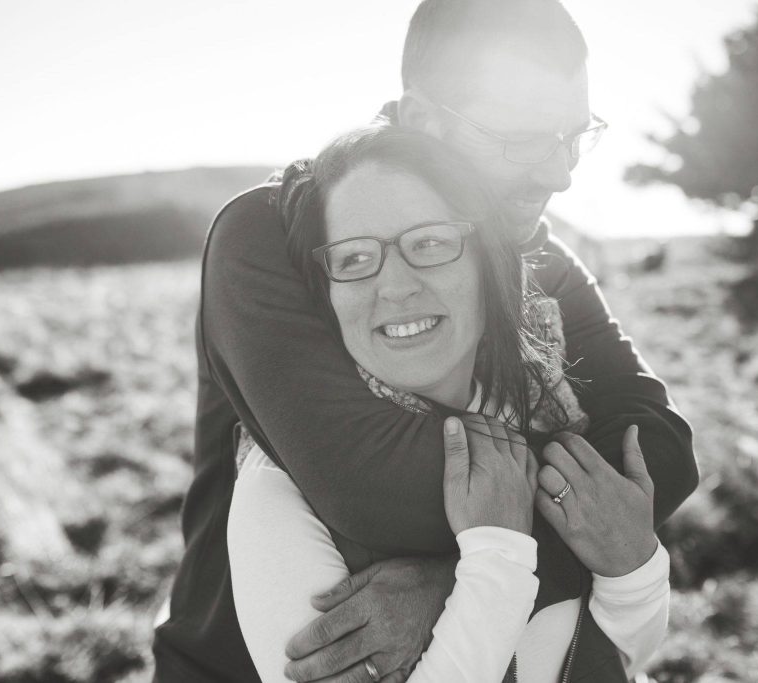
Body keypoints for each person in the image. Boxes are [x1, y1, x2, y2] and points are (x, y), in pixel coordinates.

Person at [152, 0, 698, 680]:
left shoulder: (533, 252)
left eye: (572, 135)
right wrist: (588, 540)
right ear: (422, 121)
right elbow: (376, 488)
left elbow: (661, 451)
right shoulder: (274, 234)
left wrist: (462, 576)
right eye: (519, 140)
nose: (558, 174)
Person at [227, 125, 670, 682]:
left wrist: (637, 570)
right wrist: (495, 567)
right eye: (356, 257)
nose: (395, 287)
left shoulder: (552, 414)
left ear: (488, 262)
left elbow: (626, 659)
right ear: (328, 293)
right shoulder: (278, 488)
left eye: (430, 243)